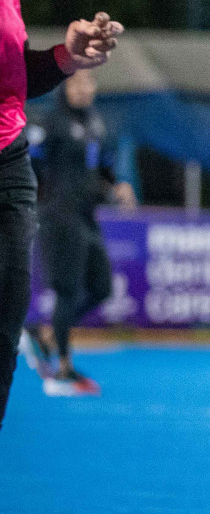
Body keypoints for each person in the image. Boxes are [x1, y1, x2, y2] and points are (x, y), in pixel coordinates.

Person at [0, 0, 123, 430]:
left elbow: (14, 76)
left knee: (5, 331)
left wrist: (64, 59)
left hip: (8, 163)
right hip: (58, 213)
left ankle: (55, 352)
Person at [22, 69, 136, 394]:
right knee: (67, 291)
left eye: (88, 82)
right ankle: (62, 369)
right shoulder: (51, 122)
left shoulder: (96, 124)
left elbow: (104, 167)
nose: (84, 88)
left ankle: (44, 335)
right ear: (65, 87)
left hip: (87, 216)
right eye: (76, 82)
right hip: (59, 216)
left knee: (101, 287)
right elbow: (30, 160)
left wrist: (118, 187)